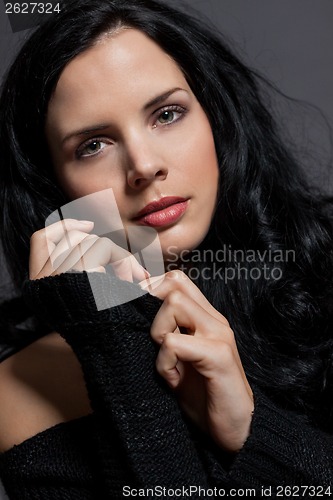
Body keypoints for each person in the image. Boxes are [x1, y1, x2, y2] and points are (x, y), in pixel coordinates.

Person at [0, 0, 332, 497]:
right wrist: (114, 347)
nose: (144, 165)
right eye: (93, 145)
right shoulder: (23, 388)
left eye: (167, 114)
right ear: (53, 183)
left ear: (217, 120)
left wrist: (250, 431)